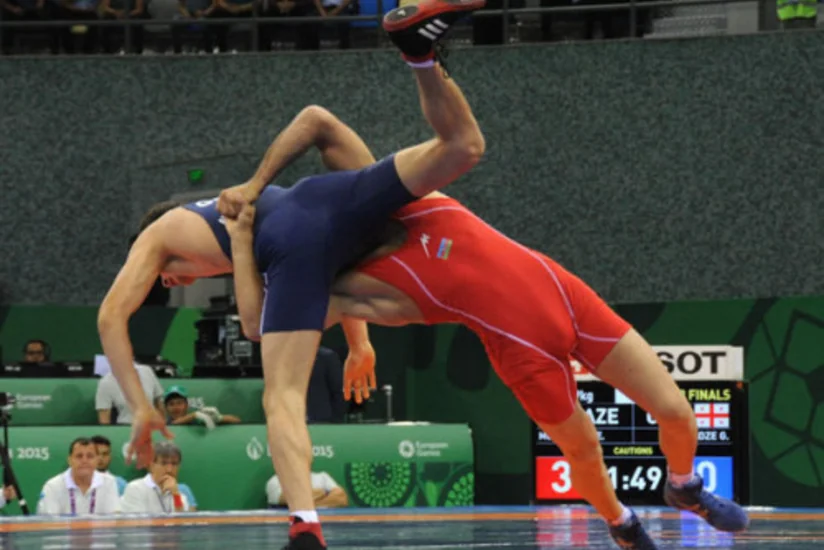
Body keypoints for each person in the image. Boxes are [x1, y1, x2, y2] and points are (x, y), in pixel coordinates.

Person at [223, 114, 750, 549]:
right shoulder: (362, 284)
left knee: (677, 410)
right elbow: (259, 321)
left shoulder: (400, 197)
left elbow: (321, 124)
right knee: (585, 449)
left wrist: (255, 186)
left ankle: (683, 486)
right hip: (523, 351)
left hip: (569, 295)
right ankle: (621, 523)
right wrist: (243, 238)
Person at [96, 1, 486, 547]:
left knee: (280, 392)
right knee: (457, 151)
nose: (169, 282)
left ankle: (305, 522)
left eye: (167, 278)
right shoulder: (229, 235)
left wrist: (139, 406)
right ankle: (422, 56)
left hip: (296, 235)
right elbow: (318, 143)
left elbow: (111, 315)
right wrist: (360, 345)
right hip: (328, 210)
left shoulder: (159, 236)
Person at [37, 438, 121, 516]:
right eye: (79, 456)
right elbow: (50, 523)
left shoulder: (109, 482)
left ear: (97, 460)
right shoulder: (53, 486)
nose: (84, 461)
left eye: (90, 456)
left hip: (99, 532)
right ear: (69, 460)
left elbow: (113, 520)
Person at [121, 441, 197, 513]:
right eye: (164, 463)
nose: (169, 469)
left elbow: (182, 523)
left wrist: (176, 495)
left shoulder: (179, 494)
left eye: (174, 464)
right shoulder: (135, 488)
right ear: (151, 465)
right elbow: (138, 524)